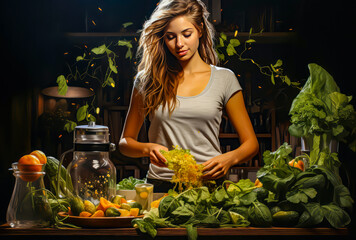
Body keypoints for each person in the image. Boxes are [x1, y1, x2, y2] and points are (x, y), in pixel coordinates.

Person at [119, 0, 259, 192]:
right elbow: (125, 142)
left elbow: (251, 144)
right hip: (161, 186)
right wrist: (148, 149)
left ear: (200, 30)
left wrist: (228, 159)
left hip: (209, 185)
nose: (179, 44)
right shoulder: (147, 80)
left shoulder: (224, 78)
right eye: (170, 37)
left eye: (187, 34)